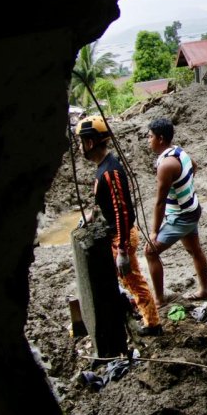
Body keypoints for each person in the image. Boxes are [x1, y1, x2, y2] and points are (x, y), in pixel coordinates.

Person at [75, 116, 162, 336]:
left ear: (90, 143)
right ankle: (138, 311)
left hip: (121, 236)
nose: (79, 147)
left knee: (132, 279)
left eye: (81, 142)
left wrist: (122, 249)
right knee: (125, 278)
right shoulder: (102, 167)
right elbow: (106, 204)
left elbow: (122, 212)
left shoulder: (110, 171)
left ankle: (153, 324)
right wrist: (92, 216)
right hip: (117, 234)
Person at [144, 118, 207, 305]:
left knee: (150, 252)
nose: (148, 140)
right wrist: (184, 188)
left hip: (181, 216)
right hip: (192, 209)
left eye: (150, 137)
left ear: (160, 138)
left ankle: (158, 300)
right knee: (195, 250)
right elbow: (194, 167)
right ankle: (205, 290)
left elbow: (159, 202)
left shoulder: (166, 165)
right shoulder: (180, 152)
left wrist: (154, 232)